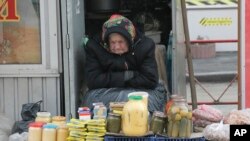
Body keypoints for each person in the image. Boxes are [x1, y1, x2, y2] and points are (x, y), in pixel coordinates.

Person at [82, 14, 167, 113]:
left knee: (147, 102)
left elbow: (150, 79)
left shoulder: (145, 46)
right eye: (112, 43)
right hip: (107, 93)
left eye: (120, 42)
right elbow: (93, 80)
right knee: (92, 100)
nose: (117, 47)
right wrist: (128, 75)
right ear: (106, 41)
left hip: (138, 92)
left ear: (129, 40)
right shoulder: (95, 47)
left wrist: (112, 79)